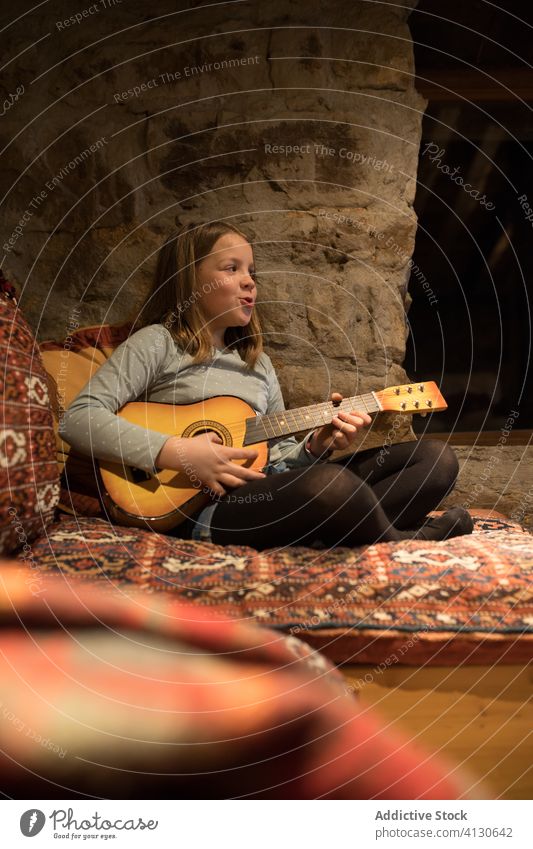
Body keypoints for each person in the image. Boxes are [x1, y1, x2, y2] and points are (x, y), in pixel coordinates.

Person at [60, 220, 473, 551]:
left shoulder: (258, 366)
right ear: (189, 280)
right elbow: (78, 420)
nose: (249, 281)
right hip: (198, 508)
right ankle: (402, 541)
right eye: (231, 268)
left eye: (251, 272)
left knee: (435, 459)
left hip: (262, 495)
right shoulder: (158, 342)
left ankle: (334, 528)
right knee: (331, 485)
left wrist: (315, 446)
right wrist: (180, 451)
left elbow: (274, 463)